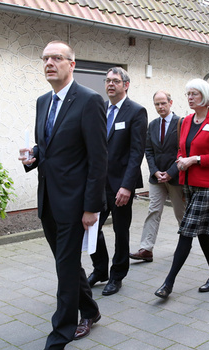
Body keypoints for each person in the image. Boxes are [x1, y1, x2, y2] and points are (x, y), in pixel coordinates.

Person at [20, 41, 107, 350]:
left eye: (56, 58)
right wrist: (34, 156)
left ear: (72, 64)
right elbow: (49, 146)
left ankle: (57, 342)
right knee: (66, 263)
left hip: (75, 205)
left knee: (64, 269)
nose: (49, 63)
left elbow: (98, 159)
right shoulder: (43, 101)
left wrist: (91, 208)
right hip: (48, 201)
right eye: (44, 58)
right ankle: (91, 310)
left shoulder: (89, 100)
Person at [154, 79, 209, 298]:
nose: (189, 98)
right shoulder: (186, 121)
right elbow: (181, 149)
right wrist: (181, 160)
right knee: (203, 232)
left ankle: (168, 284)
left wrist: (195, 159)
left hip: (208, 185)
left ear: (204, 96)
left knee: (186, 231)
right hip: (189, 182)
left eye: (194, 94)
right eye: (187, 94)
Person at [88, 67, 148, 296]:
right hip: (97, 183)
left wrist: (127, 186)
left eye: (115, 81)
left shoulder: (136, 111)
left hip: (121, 184)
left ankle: (117, 274)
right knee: (91, 227)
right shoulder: (100, 108)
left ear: (126, 85)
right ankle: (100, 269)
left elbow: (136, 153)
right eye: (108, 81)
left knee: (121, 231)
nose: (110, 84)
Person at [129, 90, 185, 262]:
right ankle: (146, 249)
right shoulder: (152, 125)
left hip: (175, 178)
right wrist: (154, 171)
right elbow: (148, 150)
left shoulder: (181, 123)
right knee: (153, 211)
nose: (160, 107)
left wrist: (170, 173)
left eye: (163, 103)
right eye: (157, 104)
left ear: (171, 102)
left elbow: (183, 151)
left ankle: (184, 246)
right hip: (156, 178)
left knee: (180, 213)